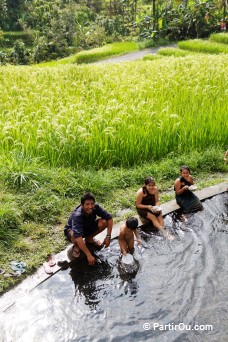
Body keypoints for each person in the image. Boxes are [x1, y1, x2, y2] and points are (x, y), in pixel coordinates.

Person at [64, 192, 113, 266]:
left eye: (92, 203)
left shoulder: (95, 207)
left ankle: (89, 239)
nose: (90, 206)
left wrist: (108, 236)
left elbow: (109, 218)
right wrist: (89, 255)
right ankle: (76, 246)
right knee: (74, 234)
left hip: (87, 227)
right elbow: (78, 237)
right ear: (82, 205)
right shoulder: (77, 215)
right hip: (74, 233)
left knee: (104, 222)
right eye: (87, 204)